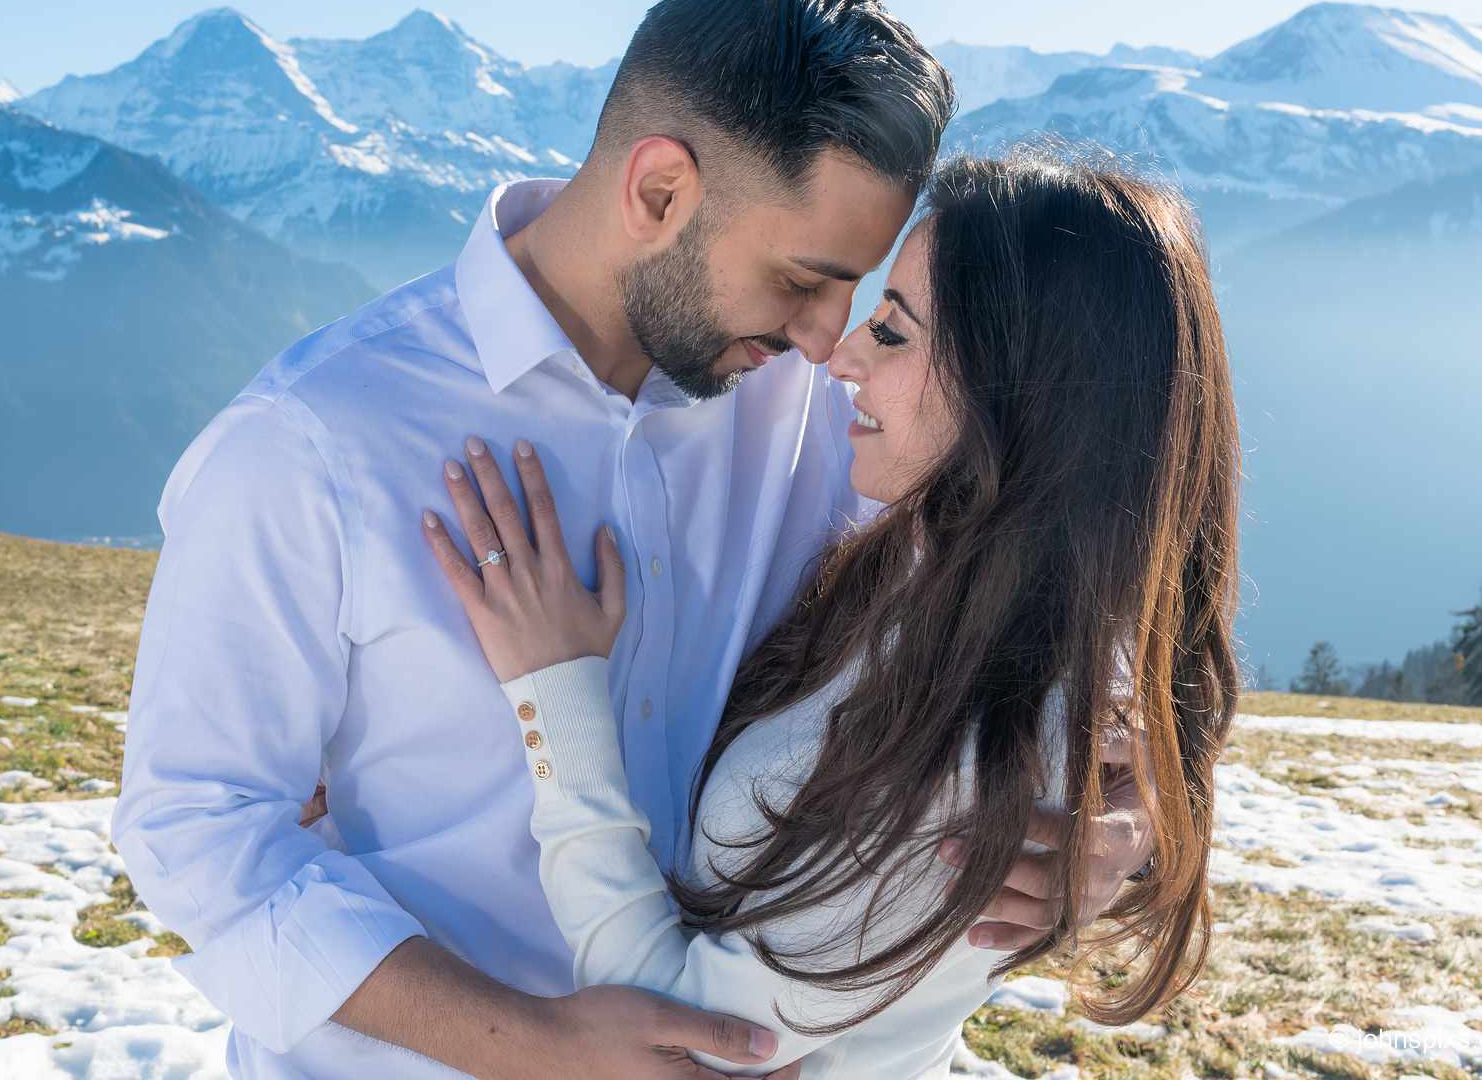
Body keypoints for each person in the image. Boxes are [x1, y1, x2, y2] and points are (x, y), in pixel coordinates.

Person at [112, 0, 1154, 1080]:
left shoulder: (832, 414)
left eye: (854, 293)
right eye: (805, 277)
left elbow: (1052, 566)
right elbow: (201, 827)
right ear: (659, 192)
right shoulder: (314, 440)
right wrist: (538, 1045)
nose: (823, 337)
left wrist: (1125, 828)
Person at [421, 151, 1241, 1076]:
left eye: (891, 333)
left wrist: (553, 690)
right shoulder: (937, 564)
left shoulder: (973, 758)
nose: (837, 357)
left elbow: (683, 1037)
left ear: (1019, 390)